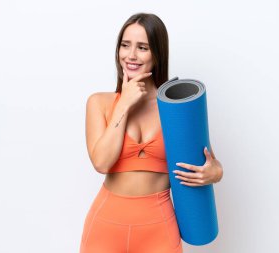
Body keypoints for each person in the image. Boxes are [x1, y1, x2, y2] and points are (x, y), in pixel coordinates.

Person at [80, 13, 223, 253]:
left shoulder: (175, 110)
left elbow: (211, 164)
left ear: (157, 54)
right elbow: (101, 162)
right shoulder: (99, 103)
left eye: (142, 47)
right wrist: (124, 103)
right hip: (105, 226)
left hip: (158, 228)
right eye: (125, 45)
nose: (131, 55)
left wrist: (215, 172)